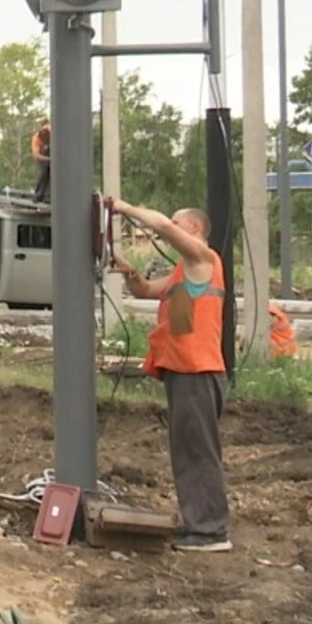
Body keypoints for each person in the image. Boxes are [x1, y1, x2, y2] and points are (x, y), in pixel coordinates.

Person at [107, 198, 232, 553]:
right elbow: (145, 291)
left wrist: (124, 207)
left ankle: (210, 531)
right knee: (188, 451)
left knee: (198, 453)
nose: (171, 229)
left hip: (198, 373)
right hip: (184, 373)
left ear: (193, 229)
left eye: (179, 224)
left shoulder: (203, 261)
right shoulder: (184, 274)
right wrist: (128, 270)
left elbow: (162, 226)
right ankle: (200, 523)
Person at [31, 120, 52, 203]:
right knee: (43, 173)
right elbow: (37, 156)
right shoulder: (36, 140)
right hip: (42, 157)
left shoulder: (50, 130)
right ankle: (38, 195)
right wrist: (49, 159)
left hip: (51, 152)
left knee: (52, 174)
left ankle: (49, 195)